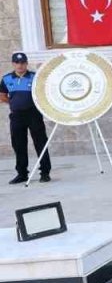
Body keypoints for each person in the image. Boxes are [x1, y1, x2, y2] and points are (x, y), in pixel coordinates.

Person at [1, 52, 52, 184]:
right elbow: (2, 95)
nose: (20, 65)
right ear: (13, 64)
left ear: (26, 63)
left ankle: (45, 172)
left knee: (40, 143)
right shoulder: (6, 79)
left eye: (23, 63)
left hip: (33, 114)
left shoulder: (35, 77)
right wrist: (13, 103)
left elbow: (43, 93)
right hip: (17, 116)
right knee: (19, 145)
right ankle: (22, 174)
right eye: (17, 63)